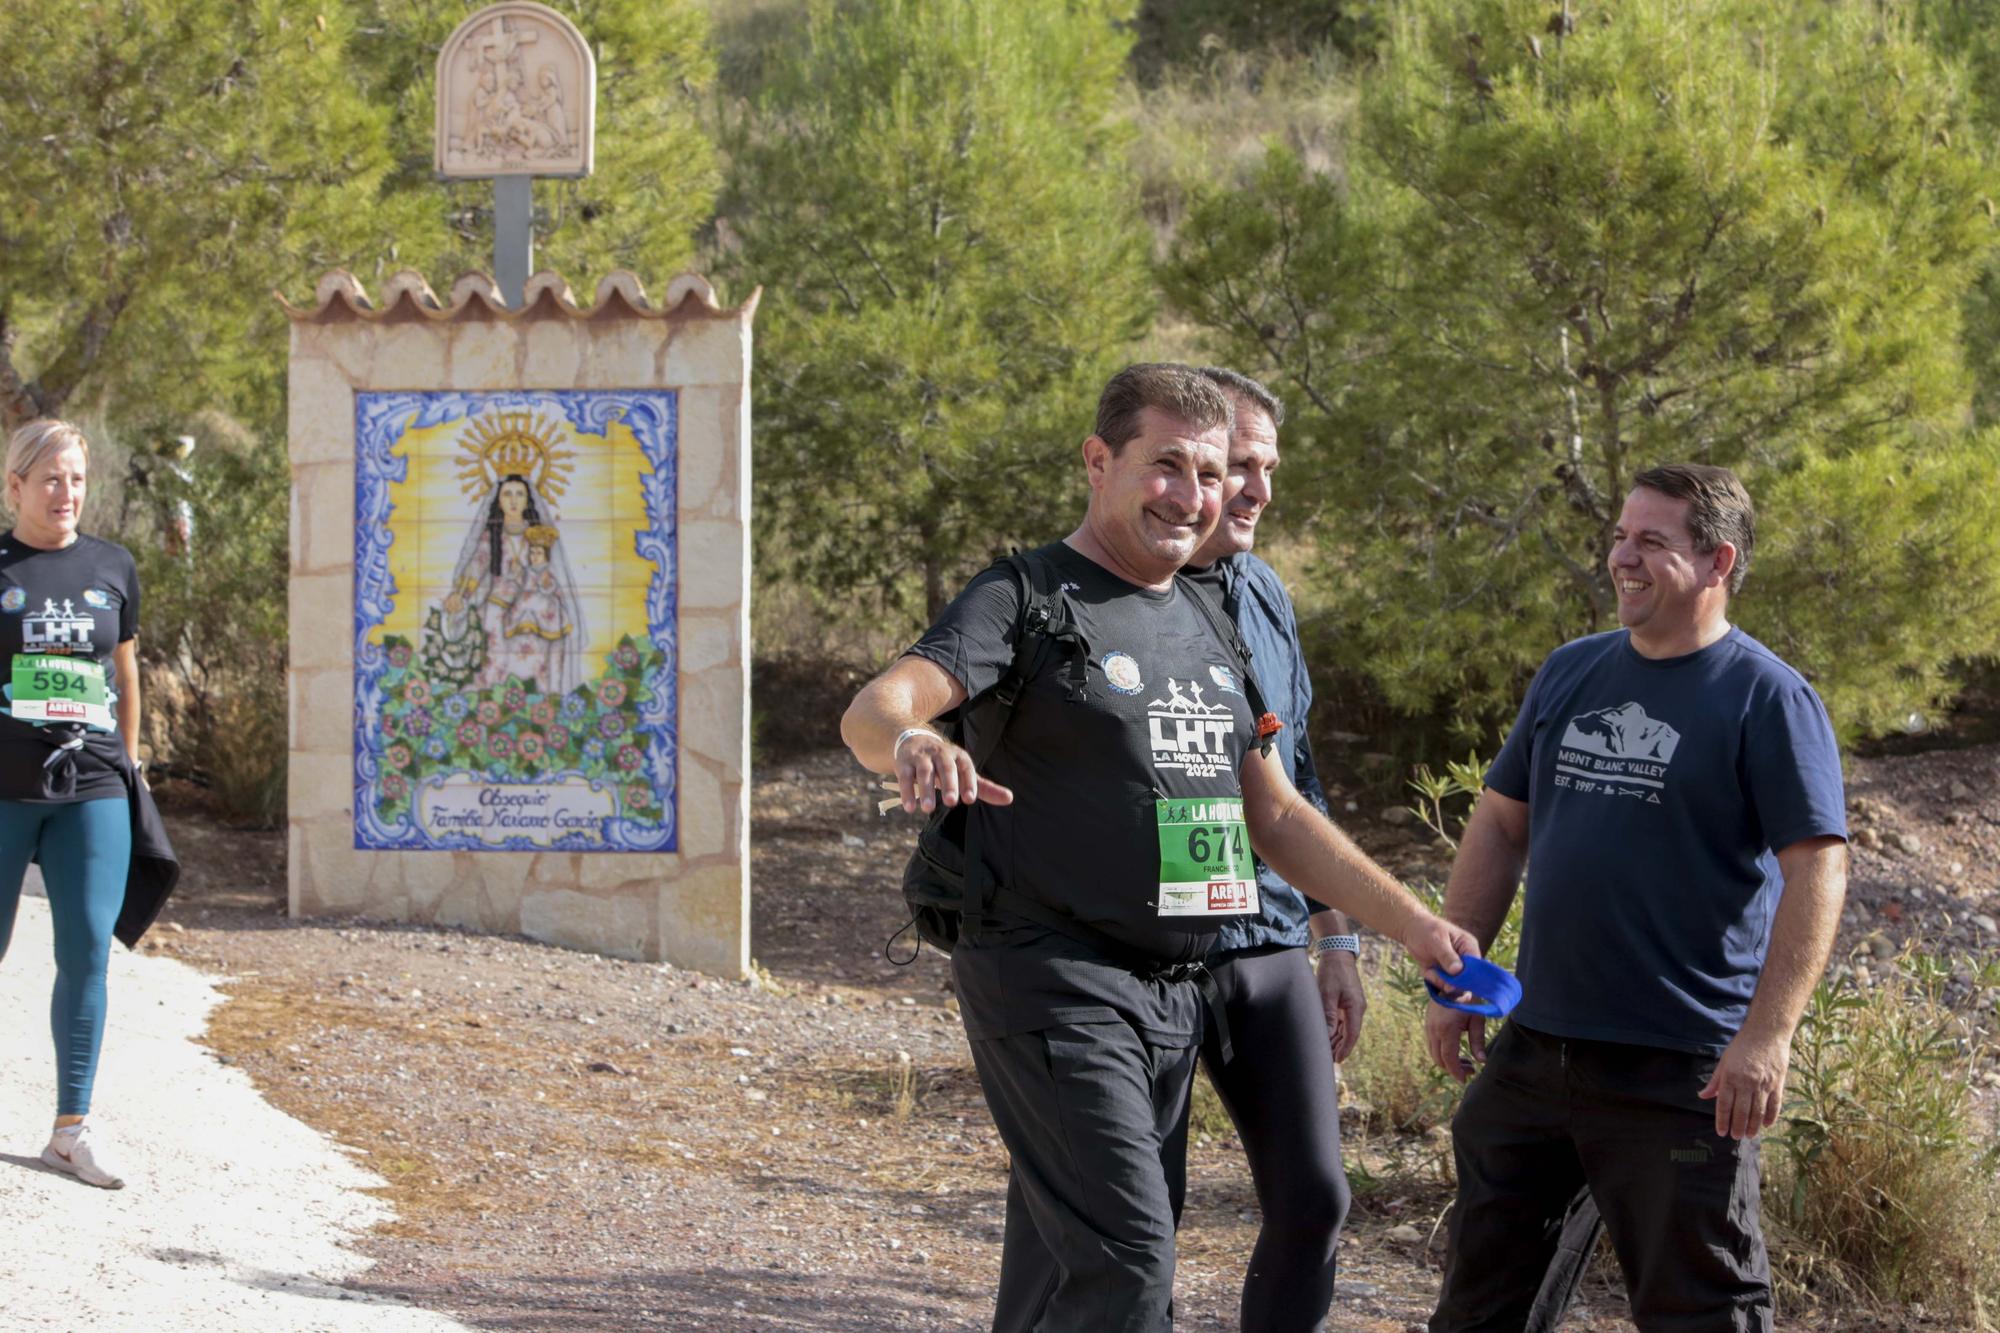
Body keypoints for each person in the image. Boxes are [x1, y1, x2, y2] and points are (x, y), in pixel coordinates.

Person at [841, 363, 1478, 1331]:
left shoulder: (1210, 612)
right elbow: (876, 706)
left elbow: (1274, 816)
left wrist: (1412, 924)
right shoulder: (1024, 595)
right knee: (1128, 1261)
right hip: (1050, 970)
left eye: (1211, 473)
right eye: (1165, 465)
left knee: (1105, 1259)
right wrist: (915, 740)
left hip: (1173, 986)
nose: (1190, 495)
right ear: (1100, 461)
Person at [1426, 463, 1850, 1332]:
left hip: (1680, 1070)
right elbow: (1503, 825)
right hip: (1538, 1049)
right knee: (1479, 1304)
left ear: (1718, 560)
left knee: (1703, 1310)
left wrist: (1767, 1037)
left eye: (1651, 541)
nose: (1623, 556)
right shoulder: (1572, 671)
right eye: (1621, 536)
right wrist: (1458, 969)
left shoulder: (1765, 696)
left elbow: (1818, 868)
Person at [1178, 367, 1361, 1332]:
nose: (1258, 490)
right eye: (1241, 465)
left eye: (1269, 467)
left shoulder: (1267, 592)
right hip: (1149, 950)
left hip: (1267, 938)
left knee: (1316, 1197)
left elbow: (1301, 779)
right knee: (1133, 1220)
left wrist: (1338, 940)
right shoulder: (1125, 589)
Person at [0, 419, 147, 1189]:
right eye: (51, 478)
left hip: (90, 784)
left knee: (88, 949)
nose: (66, 493)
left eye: (78, 479)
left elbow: (125, 673)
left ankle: (70, 1130)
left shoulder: (112, 565)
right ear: (16, 485)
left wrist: (129, 760)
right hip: (2, 788)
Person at [437, 473, 583, 696]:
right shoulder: (492, 535)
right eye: (507, 494)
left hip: (535, 603)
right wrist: (460, 594)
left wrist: (544, 580)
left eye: (519, 494)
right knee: (492, 633)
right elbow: (476, 565)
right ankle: (494, 697)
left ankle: (540, 698)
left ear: (527, 500)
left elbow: (551, 572)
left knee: (544, 637)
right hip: (498, 603)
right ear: (499, 500)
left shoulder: (538, 534)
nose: (513, 501)